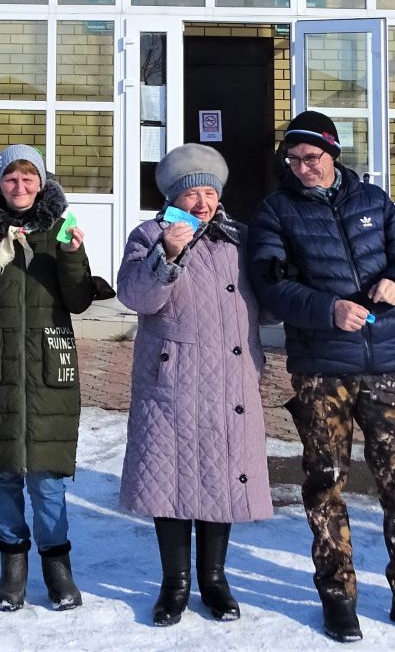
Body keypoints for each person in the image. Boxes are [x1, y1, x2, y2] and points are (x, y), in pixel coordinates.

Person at [247, 111, 395, 646]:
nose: (302, 169)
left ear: (333, 153)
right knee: (326, 485)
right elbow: (271, 286)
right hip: (322, 368)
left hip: (385, 365)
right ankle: (337, 596)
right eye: (293, 161)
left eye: (311, 158)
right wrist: (327, 310)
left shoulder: (373, 201)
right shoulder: (277, 211)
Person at [116, 144, 271, 627]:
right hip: (171, 378)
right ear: (173, 199)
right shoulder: (149, 235)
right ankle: (174, 583)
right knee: (171, 477)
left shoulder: (241, 239)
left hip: (230, 376)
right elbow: (136, 296)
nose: (201, 203)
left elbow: (270, 299)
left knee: (221, 474)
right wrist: (170, 253)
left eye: (209, 192)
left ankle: (215, 580)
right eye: (191, 195)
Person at [0, 145, 93, 613]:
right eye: (11, 178)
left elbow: (77, 301)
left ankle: (58, 569)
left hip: (46, 368)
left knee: (47, 480)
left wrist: (74, 256)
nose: (20, 186)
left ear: (41, 181)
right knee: (5, 475)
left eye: (28, 177)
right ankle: (12, 571)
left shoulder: (60, 228)